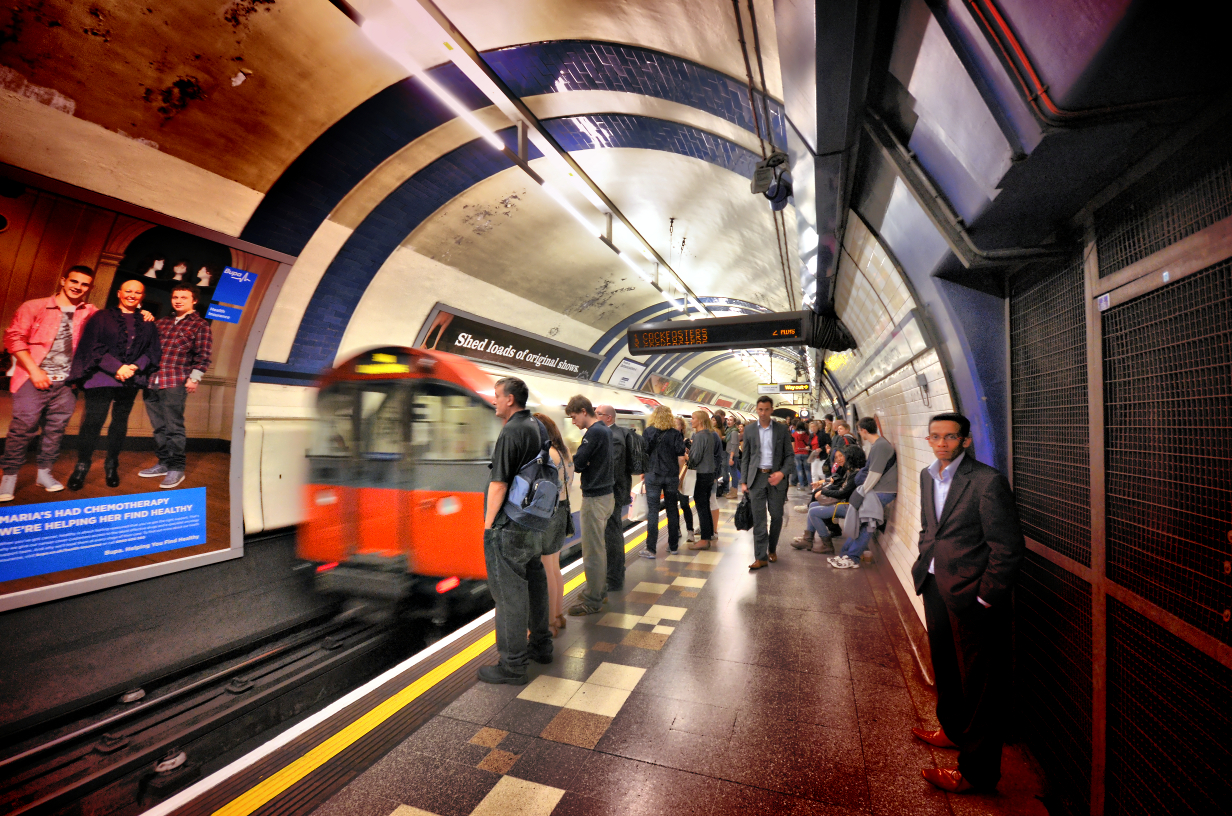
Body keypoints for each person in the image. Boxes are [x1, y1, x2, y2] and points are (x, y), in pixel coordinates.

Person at [911, 413, 1025, 793]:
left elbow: (1007, 547)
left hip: (971, 594)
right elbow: (932, 527)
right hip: (933, 584)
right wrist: (924, 558)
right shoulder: (928, 476)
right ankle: (954, 731)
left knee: (980, 684)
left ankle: (977, 773)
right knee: (946, 667)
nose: (942, 443)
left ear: (966, 440)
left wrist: (984, 596)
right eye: (935, 437)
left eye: (950, 437)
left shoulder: (987, 482)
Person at [478, 377, 553, 684]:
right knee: (535, 582)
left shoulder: (511, 430)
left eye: (497, 396)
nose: (494, 400)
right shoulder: (538, 425)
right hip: (533, 520)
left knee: (509, 593)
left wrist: (487, 526)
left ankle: (512, 664)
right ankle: (540, 645)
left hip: (509, 523)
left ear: (510, 399)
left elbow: (499, 483)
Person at [1, 266, 99, 501]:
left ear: (90, 288)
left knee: (55, 431)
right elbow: (13, 338)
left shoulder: (90, 312)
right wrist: (34, 371)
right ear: (63, 280)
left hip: (66, 384)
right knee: (22, 429)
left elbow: (113, 325)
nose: (78, 287)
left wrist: (141, 312)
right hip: (32, 378)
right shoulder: (34, 306)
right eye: (74, 281)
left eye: (85, 284)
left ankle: (44, 474)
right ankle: (9, 477)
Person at [68, 279, 161, 491]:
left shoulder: (147, 322)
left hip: (131, 379)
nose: (132, 295)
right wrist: (117, 367)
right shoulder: (101, 317)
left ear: (142, 297)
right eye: (128, 290)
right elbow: (92, 346)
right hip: (101, 377)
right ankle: (82, 466)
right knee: (92, 423)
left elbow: (152, 351)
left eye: (137, 292)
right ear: (119, 293)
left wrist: (134, 367)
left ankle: (112, 464)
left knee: (119, 424)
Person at [139, 284, 213, 489]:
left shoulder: (200, 325)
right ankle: (163, 463)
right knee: (158, 428)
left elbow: (204, 355)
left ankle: (177, 468)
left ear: (194, 301)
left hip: (175, 381)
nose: (178, 300)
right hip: (152, 381)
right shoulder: (162, 323)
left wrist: (194, 378)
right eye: (175, 297)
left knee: (173, 427)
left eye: (184, 297)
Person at [565, 395, 613, 616]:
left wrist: (580, 460)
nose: (573, 422)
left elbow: (579, 463)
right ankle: (598, 589)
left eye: (574, 417)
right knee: (598, 548)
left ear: (584, 411)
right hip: (605, 495)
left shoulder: (594, 433)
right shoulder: (605, 430)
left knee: (593, 551)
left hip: (595, 499)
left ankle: (593, 600)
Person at [829, 416, 899, 567]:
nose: (860, 434)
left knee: (867, 524)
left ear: (864, 430)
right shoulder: (878, 445)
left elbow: (875, 473)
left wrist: (862, 492)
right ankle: (846, 554)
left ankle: (852, 557)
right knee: (861, 523)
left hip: (882, 491)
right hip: (878, 490)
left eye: (860, 431)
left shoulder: (880, 446)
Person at [740, 396, 793, 569]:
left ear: (772, 410)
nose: (763, 413)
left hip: (776, 478)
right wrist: (743, 481)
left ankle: (772, 548)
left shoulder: (781, 429)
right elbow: (746, 457)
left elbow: (789, 456)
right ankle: (760, 557)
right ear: (757, 409)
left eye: (766, 409)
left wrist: (782, 473)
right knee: (759, 519)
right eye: (760, 409)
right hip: (756, 478)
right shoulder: (749, 430)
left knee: (776, 516)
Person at [534, 412, 573, 638]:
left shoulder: (547, 454)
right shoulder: (564, 451)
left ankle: (549, 623)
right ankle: (558, 615)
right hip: (563, 509)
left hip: (548, 513)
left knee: (546, 569)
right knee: (555, 567)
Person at [792, 445, 865, 554]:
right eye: (837, 457)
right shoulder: (851, 471)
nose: (841, 459)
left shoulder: (856, 474)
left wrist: (824, 491)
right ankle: (808, 539)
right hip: (846, 503)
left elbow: (843, 492)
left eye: (844, 456)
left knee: (813, 512)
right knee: (812, 506)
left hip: (849, 506)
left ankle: (827, 545)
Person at [640, 405, 685, 558]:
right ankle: (673, 546)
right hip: (671, 475)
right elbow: (680, 456)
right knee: (672, 509)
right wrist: (677, 474)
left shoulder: (648, 432)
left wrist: (643, 472)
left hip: (653, 475)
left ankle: (651, 549)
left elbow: (644, 453)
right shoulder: (675, 433)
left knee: (653, 511)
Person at [595, 404, 630, 592]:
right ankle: (616, 572)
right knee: (612, 532)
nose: (595, 417)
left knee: (612, 533)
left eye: (598, 414)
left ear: (609, 417)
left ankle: (614, 577)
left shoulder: (614, 437)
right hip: (614, 491)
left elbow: (612, 468)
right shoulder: (612, 435)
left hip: (614, 492)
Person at [686, 411, 718, 550]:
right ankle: (709, 533)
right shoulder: (710, 435)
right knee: (706, 505)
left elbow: (695, 459)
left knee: (701, 507)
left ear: (699, 421)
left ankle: (704, 540)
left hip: (701, 474)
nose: (691, 421)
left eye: (693, 418)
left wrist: (687, 456)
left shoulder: (699, 436)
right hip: (709, 473)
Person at [672, 416, 696, 542]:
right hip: (671, 475)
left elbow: (691, 460)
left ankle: (690, 530)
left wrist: (684, 453)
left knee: (685, 504)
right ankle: (676, 529)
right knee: (672, 506)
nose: (675, 426)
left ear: (682, 427)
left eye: (677, 424)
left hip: (683, 476)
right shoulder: (669, 439)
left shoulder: (686, 442)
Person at [791, 420, 812, 489]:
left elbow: (793, 444)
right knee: (807, 470)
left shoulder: (794, 434)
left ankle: (802, 486)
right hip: (805, 452)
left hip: (797, 453)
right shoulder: (807, 434)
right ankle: (810, 485)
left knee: (799, 470)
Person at [725, 416, 741, 493]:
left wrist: (731, 458)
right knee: (732, 472)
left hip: (732, 455)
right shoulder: (729, 431)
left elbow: (734, 445)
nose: (728, 421)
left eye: (731, 420)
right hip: (730, 454)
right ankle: (733, 490)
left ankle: (734, 490)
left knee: (733, 473)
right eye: (728, 420)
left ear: (734, 422)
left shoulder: (734, 432)